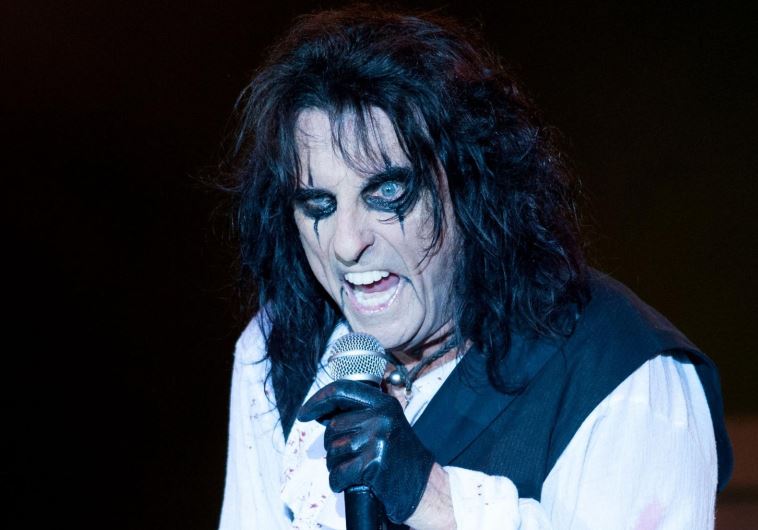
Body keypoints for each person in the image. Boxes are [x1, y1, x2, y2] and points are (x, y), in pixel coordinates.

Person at [218, 7, 732, 530]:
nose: (347, 244)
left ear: (470, 183)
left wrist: (436, 501)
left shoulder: (620, 373)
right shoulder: (276, 351)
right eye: (319, 204)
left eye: (388, 192)